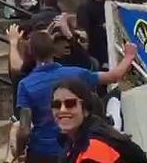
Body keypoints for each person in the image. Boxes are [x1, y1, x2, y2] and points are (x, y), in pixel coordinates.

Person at [15, 31, 138, 163]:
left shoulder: (26, 85)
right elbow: (113, 76)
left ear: (31, 53)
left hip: (41, 152)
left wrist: (19, 150)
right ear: (54, 50)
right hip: (75, 148)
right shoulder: (77, 74)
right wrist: (129, 56)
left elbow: (24, 129)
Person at [52, 79, 147, 163]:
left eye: (70, 103)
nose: (62, 110)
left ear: (85, 110)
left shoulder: (94, 147)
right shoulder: (74, 139)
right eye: (56, 105)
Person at [75, 0, 112, 69]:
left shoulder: (107, 5)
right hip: (93, 42)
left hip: (106, 41)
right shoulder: (85, 7)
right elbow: (83, 26)